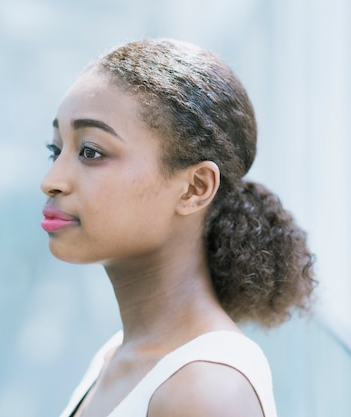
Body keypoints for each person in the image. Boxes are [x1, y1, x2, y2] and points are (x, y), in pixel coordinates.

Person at [40, 38, 316, 417]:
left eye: (91, 151)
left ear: (194, 188)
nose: (52, 180)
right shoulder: (116, 354)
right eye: (56, 151)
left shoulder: (205, 392)